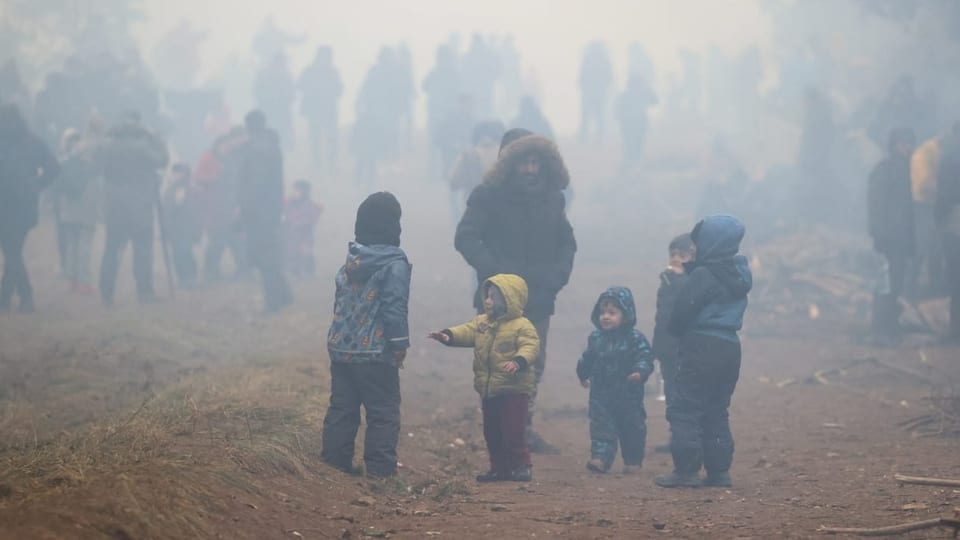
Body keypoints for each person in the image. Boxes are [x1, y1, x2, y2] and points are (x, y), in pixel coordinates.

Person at [455, 128, 577, 454]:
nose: (530, 170)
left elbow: (567, 242)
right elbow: (465, 236)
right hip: (496, 301)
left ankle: (522, 432)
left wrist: (557, 276)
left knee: (531, 364)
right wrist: (495, 275)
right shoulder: (487, 196)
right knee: (496, 366)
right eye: (524, 162)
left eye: (536, 162)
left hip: (539, 297)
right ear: (508, 163)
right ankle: (501, 436)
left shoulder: (553, 198)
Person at [657, 214, 752, 489]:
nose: (694, 247)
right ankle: (719, 472)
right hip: (730, 347)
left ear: (711, 243)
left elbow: (683, 310)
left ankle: (686, 471)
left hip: (701, 346)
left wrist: (675, 332)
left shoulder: (704, 275)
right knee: (717, 409)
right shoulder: (738, 274)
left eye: (698, 242)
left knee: (686, 408)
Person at [322, 192, 411, 478]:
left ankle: (334, 466)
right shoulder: (394, 264)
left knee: (342, 409)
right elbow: (394, 306)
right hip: (376, 353)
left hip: (341, 350)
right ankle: (381, 473)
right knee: (383, 412)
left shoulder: (351, 261)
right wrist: (399, 344)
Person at [429, 274, 539, 482]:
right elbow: (467, 331)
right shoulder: (482, 323)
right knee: (492, 432)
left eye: (494, 298)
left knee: (513, 431)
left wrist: (519, 361)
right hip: (489, 390)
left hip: (514, 390)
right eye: (487, 296)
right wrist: (448, 335)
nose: (487, 301)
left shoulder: (522, 325)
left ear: (510, 300)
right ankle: (499, 469)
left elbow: (531, 346)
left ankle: (522, 466)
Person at [576, 287, 655, 474]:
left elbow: (645, 357)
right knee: (601, 426)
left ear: (626, 315)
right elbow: (588, 358)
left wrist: (640, 372)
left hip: (629, 394)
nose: (606, 317)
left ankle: (633, 461)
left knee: (632, 428)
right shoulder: (596, 338)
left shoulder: (635, 338)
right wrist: (583, 374)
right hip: (601, 394)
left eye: (612, 313)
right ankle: (600, 459)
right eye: (602, 312)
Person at [97, 111, 169, 307]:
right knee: (143, 250)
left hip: (114, 206)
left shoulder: (107, 145)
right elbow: (162, 159)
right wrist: (157, 138)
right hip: (140, 205)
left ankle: (106, 292)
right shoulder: (142, 146)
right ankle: (144, 291)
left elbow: (98, 164)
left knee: (111, 250)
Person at [0, 105, 60, 312]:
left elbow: (53, 168)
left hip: (5, 204)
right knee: (13, 251)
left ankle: (22, 296)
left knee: (11, 252)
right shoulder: (32, 141)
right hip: (24, 204)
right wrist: (37, 185)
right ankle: (8, 297)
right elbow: (53, 168)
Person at [237, 110, 293, 313]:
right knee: (266, 254)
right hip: (269, 210)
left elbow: (256, 185)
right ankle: (283, 296)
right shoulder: (269, 145)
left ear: (248, 126)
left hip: (259, 212)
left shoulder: (258, 149)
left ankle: (274, 301)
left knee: (263, 256)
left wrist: (244, 208)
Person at [867, 128, 916, 346]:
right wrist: (879, 234)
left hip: (900, 238)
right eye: (905, 143)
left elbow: (907, 210)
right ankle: (881, 331)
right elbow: (876, 206)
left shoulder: (905, 170)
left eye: (910, 143)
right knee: (885, 286)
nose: (909, 148)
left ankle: (890, 328)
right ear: (895, 145)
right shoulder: (885, 170)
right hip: (889, 239)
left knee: (895, 285)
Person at [651, 234, 695, 452]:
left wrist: (676, 281)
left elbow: (686, 307)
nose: (676, 259)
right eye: (673, 254)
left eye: (683, 255)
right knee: (671, 393)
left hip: (685, 350)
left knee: (684, 394)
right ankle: (675, 436)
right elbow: (662, 317)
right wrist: (656, 346)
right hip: (668, 348)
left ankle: (685, 439)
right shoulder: (667, 281)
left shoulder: (692, 282)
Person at [56, 128, 102, 294]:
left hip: (68, 209)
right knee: (84, 247)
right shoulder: (91, 166)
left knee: (71, 246)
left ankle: (72, 281)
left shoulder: (63, 162)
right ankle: (84, 282)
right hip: (86, 210)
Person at [447, 120, 504, 223]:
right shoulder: (506, 155)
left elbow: (453, 182)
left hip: (472, 208)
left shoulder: (468, 155)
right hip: (501, 208)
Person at [298, 46, 343, 174]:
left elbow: (339, 89)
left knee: (331, 138)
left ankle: (331, 162)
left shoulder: (332, 71)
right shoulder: (310, 71)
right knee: (315, 137)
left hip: (328, 109)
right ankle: (317, 162)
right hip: (316, 110)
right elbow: (300, 85)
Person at [936, 123, 960, 343]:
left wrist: (939, 220)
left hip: (954, 221)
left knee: (956, 278)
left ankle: (956, 330)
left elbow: (944, 193)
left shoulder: (950, 158)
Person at [163, 163, 200, 288]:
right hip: (175, 228)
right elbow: (167, 209)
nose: (177, 175)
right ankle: (183, 278)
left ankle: (190, 277)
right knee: (178, 254)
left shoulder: (192, 189)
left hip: (186, 227)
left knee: (185, 252)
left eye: (180, 173)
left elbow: (194, 210)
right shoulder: (170, 190)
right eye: (176, 173)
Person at [284, 180, 323, 277]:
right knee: (290, 251)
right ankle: (293, 269)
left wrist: (299, 223)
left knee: (305, 251)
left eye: (297, 190)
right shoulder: (289, 203)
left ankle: (307, 271)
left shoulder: (310, 206)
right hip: (290, 236)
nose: (294, 192)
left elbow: (312, 219)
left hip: (304, 236)